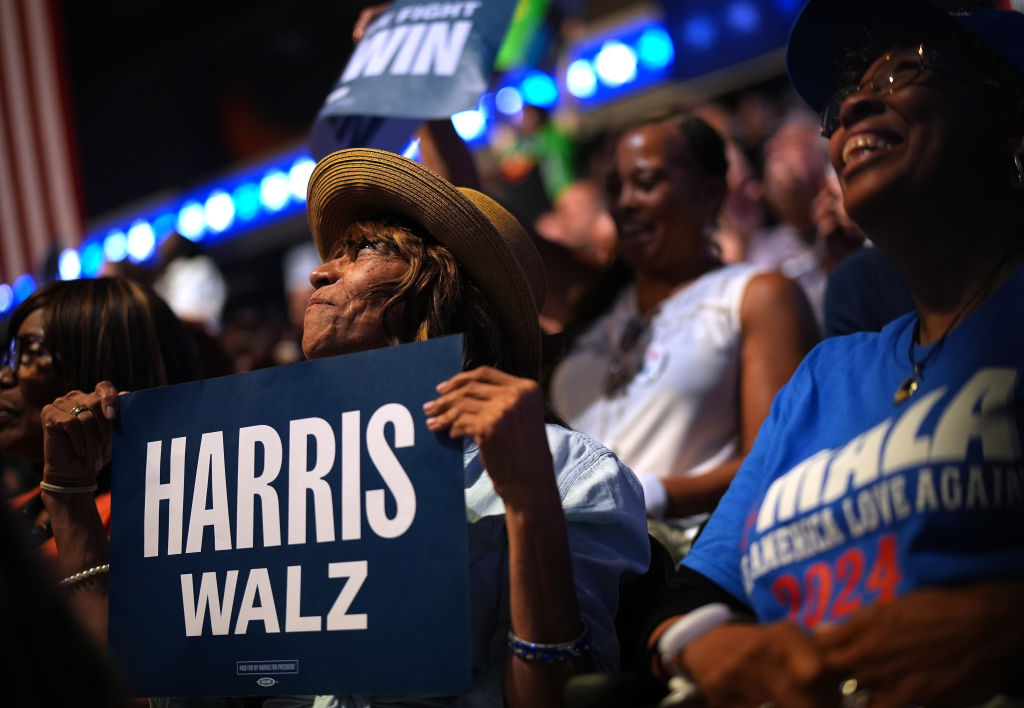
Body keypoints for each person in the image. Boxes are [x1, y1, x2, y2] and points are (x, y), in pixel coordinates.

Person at [39, 148, 650, 707]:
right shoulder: (254, 470)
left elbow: (562, 697)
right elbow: (145, 694)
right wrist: (69, 496)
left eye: (361, 251)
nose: (317, 274)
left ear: (439, 286)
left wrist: (530, 503)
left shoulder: (567, 471)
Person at [645, 1, 1024, 705]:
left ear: (1008, 114)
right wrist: (715, 646)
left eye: (905, 71)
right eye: (844, 101)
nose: (853, 106)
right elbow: (692, 593)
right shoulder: (824, 376)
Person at [548, 114, 818, 555]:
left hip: (683, 564)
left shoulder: (754, 295)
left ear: (710, 193)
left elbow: (777, 458)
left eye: (647, 183)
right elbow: (479, 227)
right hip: (569, 563)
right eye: (615, 188)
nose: (625, 203)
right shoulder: (598, 305)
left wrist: (644, 493)